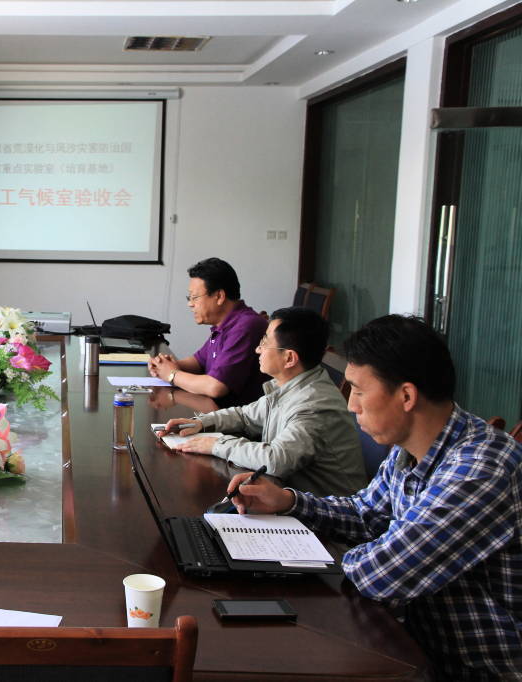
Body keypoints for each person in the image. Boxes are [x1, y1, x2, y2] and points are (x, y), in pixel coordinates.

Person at [227, 315, 522, 680]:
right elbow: (366, 515)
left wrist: (321, 555)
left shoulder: (480, 467)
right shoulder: (409, 448)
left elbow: (383, 573)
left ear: (406, 396)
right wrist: (289, 502)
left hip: (471, 669)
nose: (351, 405)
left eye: (359, 391)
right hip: (411, 646)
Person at [157, 307, 366, 497]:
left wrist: (216, 445)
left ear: (289, 358)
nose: (258, 349)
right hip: (291, 499)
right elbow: (245, 416)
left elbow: (276, 459)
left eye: (265, 342)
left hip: (326, 524)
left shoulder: (313, 405)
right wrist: (201, 423)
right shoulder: (289, 384)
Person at [148, 257, 268, 407]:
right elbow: (199, 361)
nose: (190, 304)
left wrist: (172, 375)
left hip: (238, 424)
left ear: (219, 296)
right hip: (216, 412)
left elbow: (216, 387)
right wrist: (165, 365)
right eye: (189, 297)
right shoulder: (225, 323)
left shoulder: (245, 326)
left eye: (194, 297)